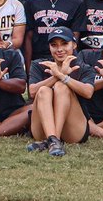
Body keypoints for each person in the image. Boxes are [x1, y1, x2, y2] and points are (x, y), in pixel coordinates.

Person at [26, 27, 95, 156]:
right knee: (43, 91)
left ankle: (52, 140)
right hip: (41, 128)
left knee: (61, 87)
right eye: (54, 45)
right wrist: (57, 75)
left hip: (74, 130)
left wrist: (64, 77)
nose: (59, 49)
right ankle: (54, 140)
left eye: (64, 44)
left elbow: (88, 92)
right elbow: (32, 92)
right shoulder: (39, 64)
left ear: (74, 45)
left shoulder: (83, 67)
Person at [23, 0, 85, 64]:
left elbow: (75, 37)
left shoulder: (77, 3)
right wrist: (29, 68)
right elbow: (28, 38)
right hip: (38, 61)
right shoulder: (31, 3)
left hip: (64, 61)